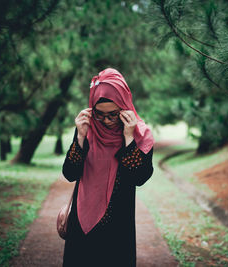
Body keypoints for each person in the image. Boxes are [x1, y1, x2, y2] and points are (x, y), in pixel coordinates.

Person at [61, 68, 154, 266]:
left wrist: (129, 138)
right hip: (81, 223)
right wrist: (79, 137)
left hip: (118, 226)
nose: (106, 121)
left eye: (113, 114)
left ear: (125, 106)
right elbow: (69, 173)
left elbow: (140, 177)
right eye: (100, 114)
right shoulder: (86, 130)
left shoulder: (139, 135)